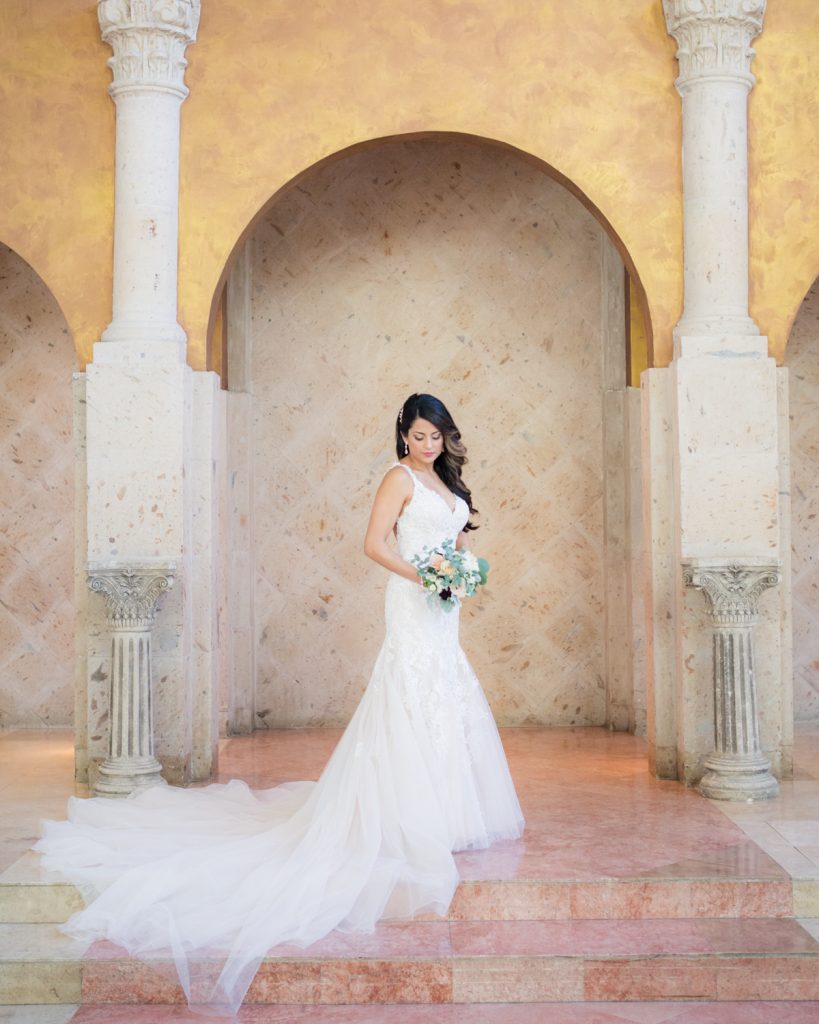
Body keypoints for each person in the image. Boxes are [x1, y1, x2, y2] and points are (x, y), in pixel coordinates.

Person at [35, 392, 524, 1017]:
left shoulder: (448, 483)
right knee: (408, 692)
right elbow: (374, 544)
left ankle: (447, 813)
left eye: (438, 436)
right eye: (421, 435)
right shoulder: (397, 478)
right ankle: (400, 815)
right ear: (403, 436)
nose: (429, 445)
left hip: (443, 609)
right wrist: (426, 578)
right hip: (412, 602)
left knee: (447, 695)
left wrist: (461, 570)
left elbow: (456, 541)